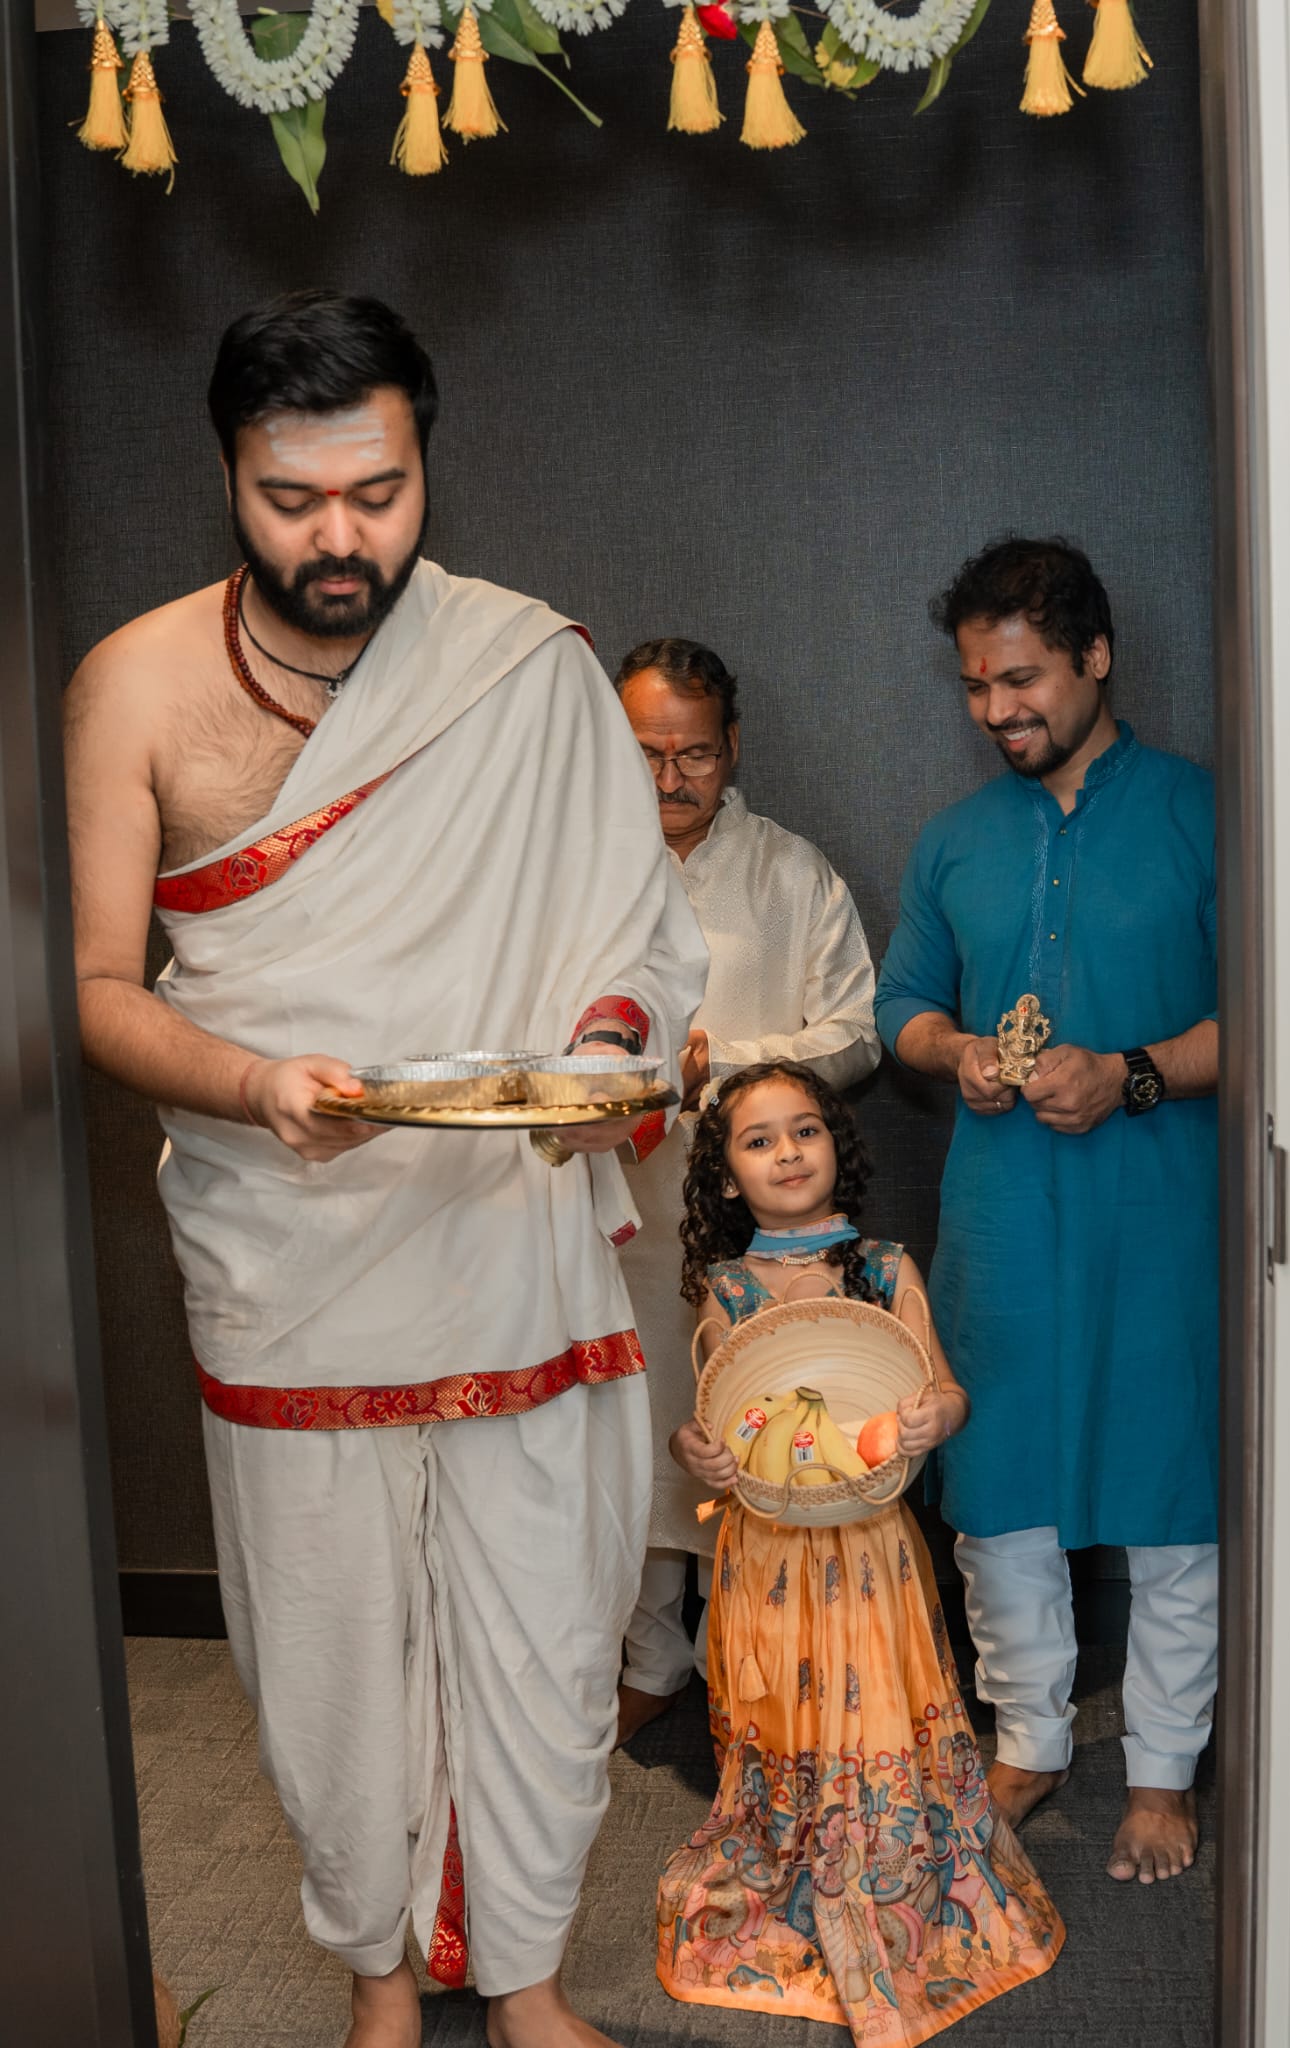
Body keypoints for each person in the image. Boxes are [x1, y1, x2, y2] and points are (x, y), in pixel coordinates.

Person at [62, 290, 709, 2048]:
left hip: (506, 1224)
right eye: (293, 498)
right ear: (228, 472)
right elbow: (100, 991)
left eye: (379, 489)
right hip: (287, 1240)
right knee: (335, 1641)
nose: (340, 534)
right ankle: (375, 1974)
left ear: (425, 462)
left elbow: (639, 932)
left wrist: (593, 1058)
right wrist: (262, 1083)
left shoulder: (523, 666)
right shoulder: (134, 684)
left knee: (537, 1617)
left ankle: (524, 1979)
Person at [875, 536, 1219, 1888]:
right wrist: (952, 1051)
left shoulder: (1201, 812)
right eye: (974, 687)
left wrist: (1132, 1072)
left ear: (1095, 657)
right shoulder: (953, 841)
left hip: (1161, 1222)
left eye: (1020, 680)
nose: (996, 709)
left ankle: (1161, 1772)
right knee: (999, 1491)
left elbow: (1283, 1016)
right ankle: (1024, 1739)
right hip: (1004, 1223)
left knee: (1171, 1496)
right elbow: (896, 1006)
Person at [658, 1060, 1064, 2040]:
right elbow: (711, 1421)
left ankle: (875, 1859)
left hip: (869, 1545)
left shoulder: (883, 1266)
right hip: (769, 1552)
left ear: (839, 1144)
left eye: (807, 1129)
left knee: (872, 1702)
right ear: (725, 1176)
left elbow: (945, 1389)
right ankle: (800, 1840)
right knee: (790, 1709)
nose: (789, 1151)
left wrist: (934, 1415)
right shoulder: (725, 1285)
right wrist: (694, 1447)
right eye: (759, 1140)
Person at [612, 639, 879, 1744]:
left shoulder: (790, 870)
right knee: (629, 1427)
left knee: (747, 1420)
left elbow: (857, 1033)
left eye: (696, 756)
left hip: (758, 1218)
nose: (671, 778)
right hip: (612, 1204)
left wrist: (714, 1071)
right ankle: (648, 1653)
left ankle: (748, 1661)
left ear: (735, 749)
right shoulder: (570, 865)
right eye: (645, 754)